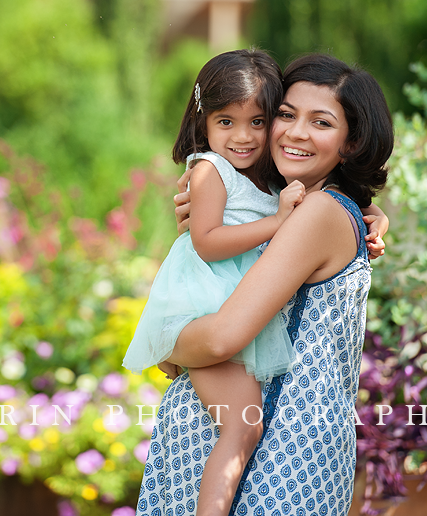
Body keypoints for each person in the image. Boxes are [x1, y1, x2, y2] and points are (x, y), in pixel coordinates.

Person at [126, 50, 389, 516]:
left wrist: (166, 344)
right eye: (286, 115)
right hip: (246, 444)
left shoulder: (318, 212)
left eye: (322, 122)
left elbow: (222, 337)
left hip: (274, 455)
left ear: (352, 141)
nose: (295, 131)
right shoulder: (297, 203)